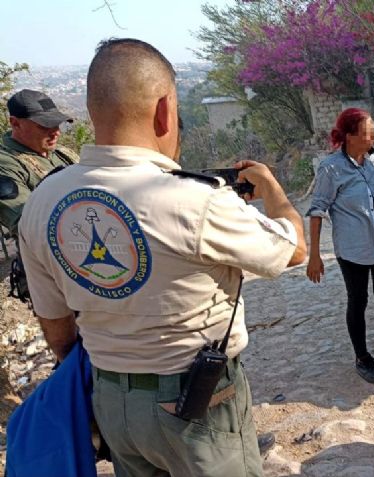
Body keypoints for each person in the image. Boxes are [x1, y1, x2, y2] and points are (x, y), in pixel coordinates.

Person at [17, 38, 306, 477]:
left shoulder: (43, 201)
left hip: (110, 399)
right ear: (165, 110)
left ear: (93, 110)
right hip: (197, 401)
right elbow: (295, 249)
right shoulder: (194, 199)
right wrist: (271, 187)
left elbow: (58, 331)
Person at [306, 108, 374, 384]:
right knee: (358, 300)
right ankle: (362, 357)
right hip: (353, 249)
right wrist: (315, 255)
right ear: (350, 135)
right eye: (368, 132)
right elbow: (317, 210)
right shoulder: (331, 168)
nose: (373, 136)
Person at [0, 89, 78, 235]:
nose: (56, 132)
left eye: (56, 124)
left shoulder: (60, 152)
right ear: (15, 123)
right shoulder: (5, 164)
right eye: (44, 126)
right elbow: (25, 223)